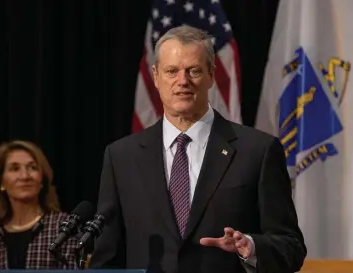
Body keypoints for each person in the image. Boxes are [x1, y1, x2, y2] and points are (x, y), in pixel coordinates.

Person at [89, 26, 306, 273]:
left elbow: (291, 246)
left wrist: (252, 247)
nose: (182, 81)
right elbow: (106, 259)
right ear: (156, 76)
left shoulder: (258, 151)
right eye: (171, 71)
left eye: (193, 71)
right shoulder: (121, 157)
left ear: (212, 75)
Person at [0, 140, 78, 273]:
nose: (25, 176)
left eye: (33, 167)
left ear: (42, 180)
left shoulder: (63, 227)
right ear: (1, 181)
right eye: (15, 169)